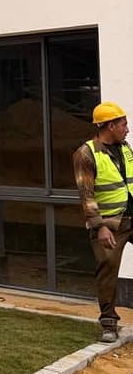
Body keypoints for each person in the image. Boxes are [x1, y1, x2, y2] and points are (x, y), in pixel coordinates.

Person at [73, 102, 132, 342]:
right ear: (110, 126)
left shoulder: (125, 148)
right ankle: (109, 323)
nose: (127, 129)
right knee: (108, 267)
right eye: (123, 124)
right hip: (111, 224)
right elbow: (86, 195)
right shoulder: (85, 154)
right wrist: (100, 227)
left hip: (132, 216)